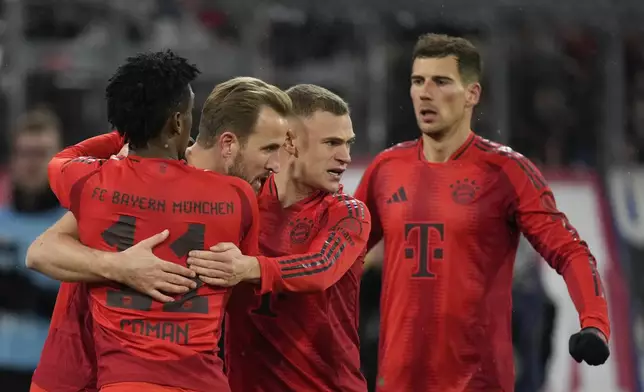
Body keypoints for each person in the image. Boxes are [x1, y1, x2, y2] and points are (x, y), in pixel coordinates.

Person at [353, 34, 611, 392]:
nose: (425, 93)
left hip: (478, 383)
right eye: (417, 81)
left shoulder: (507, 172)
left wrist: (595, 322)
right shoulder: (385, 169)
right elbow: (340, 258)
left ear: (472, 94)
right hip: (396, 382)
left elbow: (570, 252)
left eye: (441, 82)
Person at [28, 53, 292, 392]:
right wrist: (120, 266)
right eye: (269, 148)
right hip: (78, 372)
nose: (276, 166)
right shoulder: (233, 198)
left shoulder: (107, 181)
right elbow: (41, 251)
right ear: (228, 143)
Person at [186, 84, 370, 391]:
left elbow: (321, 267)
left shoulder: (348, 213)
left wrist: (248, 269)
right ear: (290, 142)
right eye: (332, 143)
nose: (346, 156)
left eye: (348, 143)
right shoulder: (243, 203)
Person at [0, 108, 65, 391]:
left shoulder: (73, 225)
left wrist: (35, 299)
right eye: (24, 153)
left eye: (41, 153)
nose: (31, 163)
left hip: (51, 370)